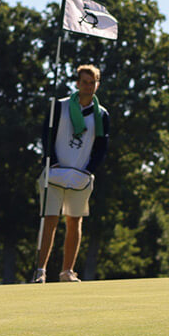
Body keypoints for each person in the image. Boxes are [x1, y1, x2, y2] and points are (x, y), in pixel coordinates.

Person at [32, 64, 109, 283]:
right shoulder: (60, 106)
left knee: (75, 222)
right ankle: (41, 271)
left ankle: (67, 271)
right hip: (55, 173)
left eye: (92, 82)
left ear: (97, 84)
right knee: (50, 220)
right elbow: (46, 135)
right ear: (77, 83)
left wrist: (89, 170)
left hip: (80, 177)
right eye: (84, 82)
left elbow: (102, 146)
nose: (88, 86)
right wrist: (52, 162)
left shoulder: (101, 114)